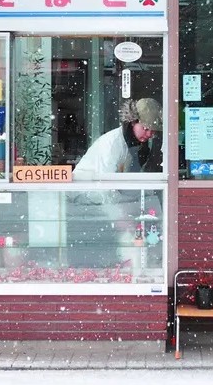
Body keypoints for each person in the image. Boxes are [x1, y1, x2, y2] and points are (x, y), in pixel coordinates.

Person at [68, 98, 164, 268]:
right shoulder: (113, 144)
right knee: (126, 232)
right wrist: (118, 216)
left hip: (108, 197)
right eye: (145, 128)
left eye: (153, 131)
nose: (149, 134)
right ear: (133, 122)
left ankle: (138, 263)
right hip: (85, 197)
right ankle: (132, 265)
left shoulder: (136, 144)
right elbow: (105, 186)